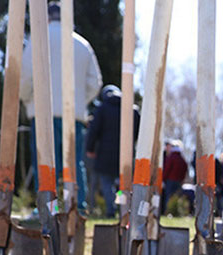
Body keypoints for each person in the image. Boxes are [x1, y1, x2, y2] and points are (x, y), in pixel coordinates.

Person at [20, 1, 102, 213]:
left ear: (47, 18)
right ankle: (78, 206)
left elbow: (25, 78)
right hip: (73, 114)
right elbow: (95, 82)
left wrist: (29, 99)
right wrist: (78, 100)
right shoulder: (82, 44)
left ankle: (49, 208)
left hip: (43, 113)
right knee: (74, 162)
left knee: (45, 163)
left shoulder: (37, 41)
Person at [84, 85, 140, 217]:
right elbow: (137, 131)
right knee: (122, 183)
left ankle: (111, 209)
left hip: (105, 153)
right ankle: (123, 208)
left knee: (107, 183)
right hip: (126, 153)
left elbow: (94, 130)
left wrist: (90, 148)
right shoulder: (131, 109)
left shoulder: (102, 109)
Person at [161, 139, 188, 213]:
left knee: (168, 196)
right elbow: (185, 169)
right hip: (179, 181)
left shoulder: (171, 158)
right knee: (177, 196)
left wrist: (163, 178)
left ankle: (167, 211)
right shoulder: (182, 159)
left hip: (170, 181)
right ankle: (176, 212)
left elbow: (167, 169)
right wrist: (182, 179)